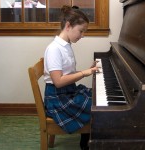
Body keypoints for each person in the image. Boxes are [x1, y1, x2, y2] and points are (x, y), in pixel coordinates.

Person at [43, 5, 98, 150]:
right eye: (81, 31)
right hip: (57, 98)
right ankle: (86, 143)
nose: (83, 35)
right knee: (97, 106)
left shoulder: (65, 45)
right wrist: (84, 73)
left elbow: (67, 74)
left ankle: (86, 139)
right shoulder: (54, 49)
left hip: (67, 92)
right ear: (68, 26)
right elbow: (59, 82)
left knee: (96, 97)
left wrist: (89, 69)